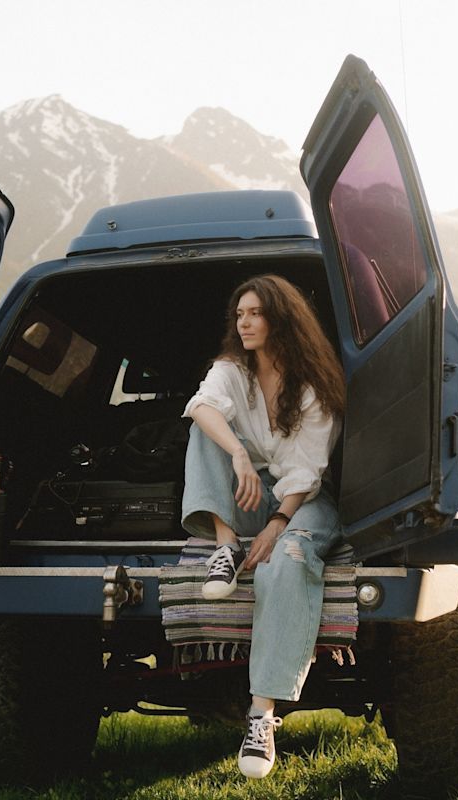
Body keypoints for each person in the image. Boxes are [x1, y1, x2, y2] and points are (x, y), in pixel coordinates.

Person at [180, 273, 346, 780]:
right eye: (239, 314)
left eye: (254, 313)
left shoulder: (315, 382)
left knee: (286, 563)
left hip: (304, 498)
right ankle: (226, 546)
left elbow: (306, 471)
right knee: (204, 425)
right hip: (247, 493)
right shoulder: (232, 369)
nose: (244, 322)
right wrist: (238, 456)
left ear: (281, 318)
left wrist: (278, 525)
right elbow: (203, 406)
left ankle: (262, 716)